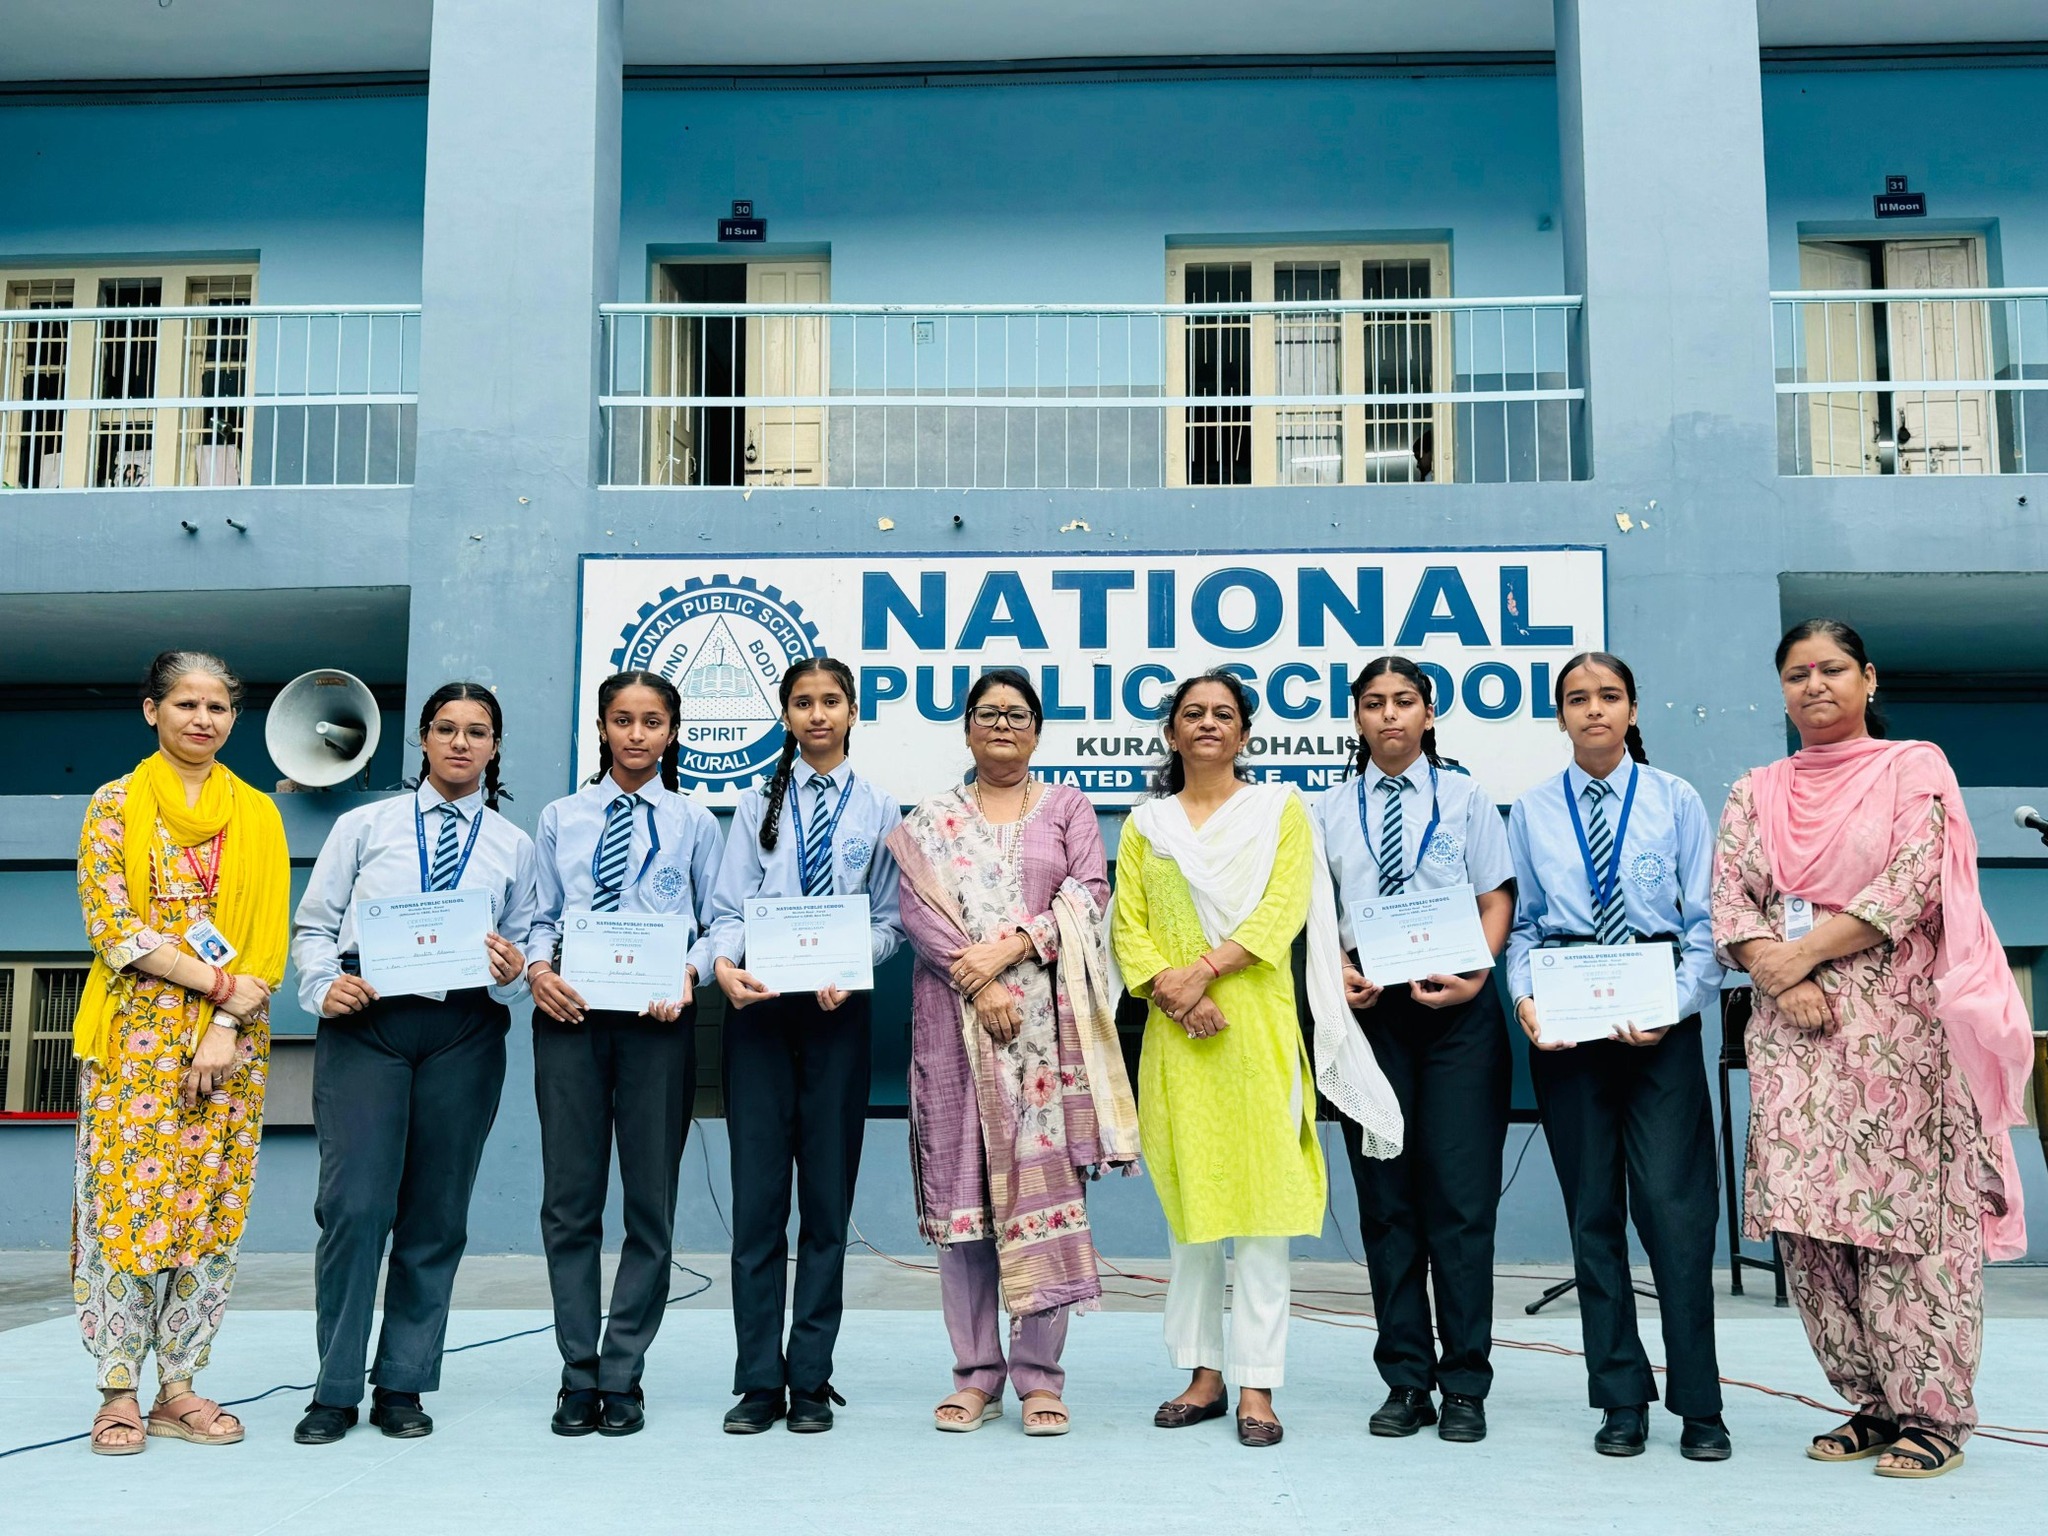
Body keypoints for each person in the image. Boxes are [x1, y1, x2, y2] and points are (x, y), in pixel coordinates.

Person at [1712, 619, 2031, 1480]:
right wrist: (1781, 977)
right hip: (1792, 1035)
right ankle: (1872, 1401)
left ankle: (1933, 1413)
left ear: (1869, 679)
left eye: (1832, 669)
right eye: (1797, 674)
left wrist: (1800, 958)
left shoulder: (1911, 767)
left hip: (1898, 1031)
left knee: (1905, 1224)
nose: (1814, 685)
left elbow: (1912, 882)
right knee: (1810, 1225)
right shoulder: (1755, 790)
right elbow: (1732, 901)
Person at [1110, 670, 1401, 1449]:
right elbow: (1128, 928)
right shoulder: (1145, 825)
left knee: (1264, 1212)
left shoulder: (1280, 811)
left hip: (1259, 1030)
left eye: (1223, 714)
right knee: (1193, 1211)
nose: (1208, 723)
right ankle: (1202, 1375)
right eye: (1193, 713)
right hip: (1177, 1040)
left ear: (1244, 733)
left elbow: (1281, 912)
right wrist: (1176, 996)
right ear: (1172, 733)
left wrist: (1203, 973)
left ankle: (1258, 1386)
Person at [886, 668, 1139, 1438]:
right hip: (955, 1027)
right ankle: (975, 1375)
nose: (1002, 725)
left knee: (1044, 1198)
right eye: (988, 713)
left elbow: (1089, 895)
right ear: (966, 727)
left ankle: (1038, 1379)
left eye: (1017, 714)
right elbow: (919, 913)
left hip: (1045, 1042)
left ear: (1037, 729)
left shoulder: (1067, 807)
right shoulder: (931, 819)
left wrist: (1014, 949)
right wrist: (980, 982)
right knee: (965, 1204)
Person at [290, 683, 539, 1444]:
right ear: (423, 739)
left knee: (436, 1212)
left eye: (477, 732)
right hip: (369, 1020)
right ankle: (335, 1388)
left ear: (494, 747)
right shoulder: (365, 826)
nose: (461, 742)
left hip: (463, 1030)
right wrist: (321, 986)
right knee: (355, 1206)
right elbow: (314, 926)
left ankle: (403, 1381)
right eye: (446, 728)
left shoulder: (513, 845)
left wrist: (515, 971)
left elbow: (524, 946)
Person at [1505, 651, 1730, 1461]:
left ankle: (1700, 1405)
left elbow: (1706, 925)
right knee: (1592, 1214)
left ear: (1632, 709)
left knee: (1675, 1213)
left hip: (1658, 1020)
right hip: (1570, 1028)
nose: (1593, 709)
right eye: (1577, 698)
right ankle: (1620, 1399)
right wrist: (1525, 1001)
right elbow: (1524, 926)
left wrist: (1674, 1004)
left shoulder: (1675, 799)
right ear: (1560, 716)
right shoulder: (1532, 811)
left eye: (1608, 696)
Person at [72, 651, 290, 1454]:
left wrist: (226, 1021)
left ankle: (179, 1386)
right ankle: (117, 1390)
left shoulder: (257, 814)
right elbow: (112, 926)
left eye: (218, 707)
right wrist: (215, 981)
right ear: (151, 711)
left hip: (231, 1045)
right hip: (133, 1040)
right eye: (186, 704)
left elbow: (267, 940)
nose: (203, 719)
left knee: (209, 1211)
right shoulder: (115, 804)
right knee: (125, 1210)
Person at [1314, 655, 1512, 1443]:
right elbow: (1318, 915)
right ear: (1357, 718)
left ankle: (1464, 1384)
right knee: (1388, 1202)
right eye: (1374, 702)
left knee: (1460, 1204)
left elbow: (1496, 897)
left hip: (1458, 1012)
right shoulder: (1327, 809)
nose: (1390, 714)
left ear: (1429, 714)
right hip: (1372, 1017)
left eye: (1404, 701)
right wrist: (1338, 970)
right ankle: (1405, 1379)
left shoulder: (1467, 799)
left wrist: (1477, 973)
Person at [707, 657, 905, 1434]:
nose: (816, 714)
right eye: (801, 702)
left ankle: (812, 1378)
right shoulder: (756, 800)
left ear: (852, 711)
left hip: (836, 1015)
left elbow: (888, 920)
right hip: (759, 1012)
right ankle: (759, 1380)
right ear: (786, 715)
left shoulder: (880, 807)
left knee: (826, 1205)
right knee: (758, 1205)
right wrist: (725, 967)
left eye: (829, 701)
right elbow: (728, 910)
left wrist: (854, 968)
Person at [525, 670, 723, 1437]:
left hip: (656, 1024)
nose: (637, 734)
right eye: (622, 719)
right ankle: (578, 1372)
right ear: (603, 727)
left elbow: (718, 923)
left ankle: (623, 1371)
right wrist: (538, 971)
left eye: (652, 721)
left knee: (649, 1204)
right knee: (570, 1202)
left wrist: (688, 973)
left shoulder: (694, 823)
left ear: (672, 732)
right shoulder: (561, 818)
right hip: (571, 1019)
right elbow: (541, 916)